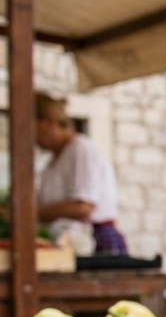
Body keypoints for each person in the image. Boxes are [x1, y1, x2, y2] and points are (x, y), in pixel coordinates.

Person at [35, 92, 127, 256]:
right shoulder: (50, 164)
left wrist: (33, 212)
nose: (32, 137)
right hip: (65, 241)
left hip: (95, 243)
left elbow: (83, 207)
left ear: (49, 121)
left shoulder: (80, 149)